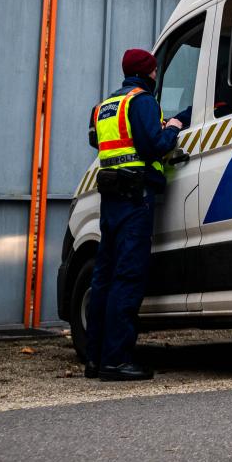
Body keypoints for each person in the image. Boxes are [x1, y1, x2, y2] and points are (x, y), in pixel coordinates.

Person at [85, 47, 184, 381]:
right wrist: (172, 127)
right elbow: (155, 145)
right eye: (154, 71)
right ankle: (116, 361)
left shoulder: (105, 106)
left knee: (103, 278)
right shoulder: (142, 101)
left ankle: (95, 359)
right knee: (128, 277)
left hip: (111, 199)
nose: (156, 76)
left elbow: (97, 141)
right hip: (135, 199)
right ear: (146, 73)